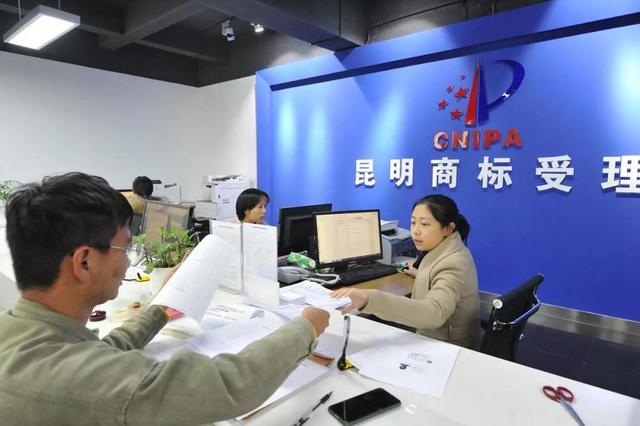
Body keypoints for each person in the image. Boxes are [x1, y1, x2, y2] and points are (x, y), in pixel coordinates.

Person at [0, 172, 329, 425]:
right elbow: (230, 385)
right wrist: (305, 328)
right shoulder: (83, 380)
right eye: (124, 247)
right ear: (84, 262)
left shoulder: (21, 332)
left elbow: (98, 353)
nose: (127, 260)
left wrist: (159, 310)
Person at [332, 194, 480, 348]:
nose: (416, 231)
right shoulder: (448, 249)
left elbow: (434, 313)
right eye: (413, 222)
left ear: (448, 228)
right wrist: (420, 273)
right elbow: (440, 279)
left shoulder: (453, 263)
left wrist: (368, 299)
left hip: (446, 346)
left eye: (425, 224)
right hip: (438, 335)